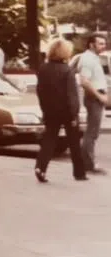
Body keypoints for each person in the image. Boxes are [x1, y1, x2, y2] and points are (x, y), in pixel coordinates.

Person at [35, 38, 87, 182]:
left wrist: (44, 109)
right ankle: (79, 173)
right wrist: (74, 114)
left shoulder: (43, 69)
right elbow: (72, 95)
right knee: (74, 142)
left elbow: (40, 91)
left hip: (50, 110)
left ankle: (41, 167)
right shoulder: (67, 70)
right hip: (66, 111)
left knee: (49, 139)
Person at [74, 34, 108, 175]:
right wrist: (99, 95)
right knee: (92, 132)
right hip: (94, 98)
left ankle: (86, 162)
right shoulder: (88, 59)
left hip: (97, 97)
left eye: (104, 43)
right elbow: (84, 81)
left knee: (93, 131)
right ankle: (88, 164)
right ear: (91, 45)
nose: (103, 46)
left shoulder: (93, 58)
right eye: (100, 43)